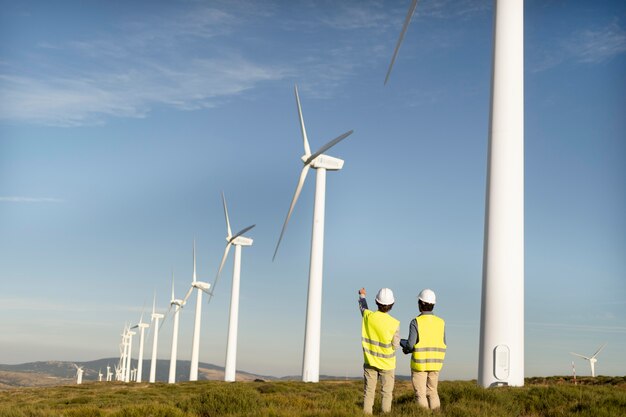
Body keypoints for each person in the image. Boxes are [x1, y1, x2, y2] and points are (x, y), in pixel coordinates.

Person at [401, 288, 446, 410]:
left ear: (420, 303)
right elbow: (443, 342)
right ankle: (436, 414)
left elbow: (410, 345)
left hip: (420, 365)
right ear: (433, 304)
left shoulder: (416, 322)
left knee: (420, 394)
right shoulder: (441, 322)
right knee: (433, 392)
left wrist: (404, 347)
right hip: (436, 364)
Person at [358, 287, 400, 414]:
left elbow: (363, 307)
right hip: (387, 364)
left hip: (370, 361)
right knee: (386, 393)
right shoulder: (394, 323)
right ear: (392, 304)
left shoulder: (368, 316)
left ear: (376, 302)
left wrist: (362, 296)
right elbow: (396, 345)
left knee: (369, 392)